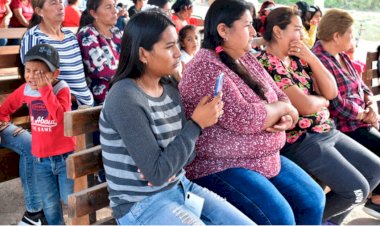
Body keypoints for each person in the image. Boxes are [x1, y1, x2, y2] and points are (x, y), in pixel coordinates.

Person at [99, 10, 255, 225]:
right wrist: (197, 124)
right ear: (143, 54)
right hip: (141, 204)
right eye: (169, 47)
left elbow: (185, 159)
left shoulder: (171, 90)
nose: (177, 54)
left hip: (180, 187)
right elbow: (158, 173)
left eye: (177, 46)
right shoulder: (124, 96)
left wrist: (166, 165)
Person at [179, 0, 325, 225]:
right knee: (280, 217)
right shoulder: (205, 68)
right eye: (247, 25)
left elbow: (280, 95)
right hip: (220, 165)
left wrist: (286, 116)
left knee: (312, 200)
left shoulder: (246, 58)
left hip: (262, 158)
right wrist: (283, 109)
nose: (254, 32)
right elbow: (246, 118)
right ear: (223, 30)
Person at [256, 7, 380, 225]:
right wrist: (320, 100)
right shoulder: (266, 63)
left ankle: (326, 222)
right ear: (277, 31)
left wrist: (311, 57)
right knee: (356, 191)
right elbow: (304, 106)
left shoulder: (298, 58)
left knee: (375, 171)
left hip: (326, 130)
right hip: (302, 139)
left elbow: (331, 92)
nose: (303, 35)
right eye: (297, 29)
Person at [312, 8, 380, 219]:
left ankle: (341, 215)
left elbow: (362, 86)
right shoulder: (320, 60)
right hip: (342, 127)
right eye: (350, 32)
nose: (354, 37)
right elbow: (335, 103)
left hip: (359, 123)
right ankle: (374, 200)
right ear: (337, 36)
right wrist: (363, 114)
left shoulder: (341, 56)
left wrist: (371, 105)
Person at [0, 44, 75, 224]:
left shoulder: (61, 89)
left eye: (40, 73)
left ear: (55, 74)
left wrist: (45, 90)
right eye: (28, 70)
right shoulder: (26, 89)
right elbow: (5, 108)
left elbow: (60, 118)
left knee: (70, 199)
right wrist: (2, 123)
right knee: (49, 203)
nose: (33, 77)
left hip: (64, 158)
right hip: (41, 159)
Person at [21, 0, 94, 107]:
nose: (60, 7)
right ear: (39, 11)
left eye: (61, 2)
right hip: (61, 104)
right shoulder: (34, 37)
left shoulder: (70, 36)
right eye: (53, 3)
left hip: (86, 101)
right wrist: (66, 96)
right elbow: (34, 78)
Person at [77, 0, 122, 105]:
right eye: (108, 7)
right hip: (102, 99)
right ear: (94, 13)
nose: (115, 11)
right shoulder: (87, 33)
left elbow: (131, 59)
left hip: (122, 90)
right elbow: (103, 70)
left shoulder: (116, 32)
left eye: (114, 6)